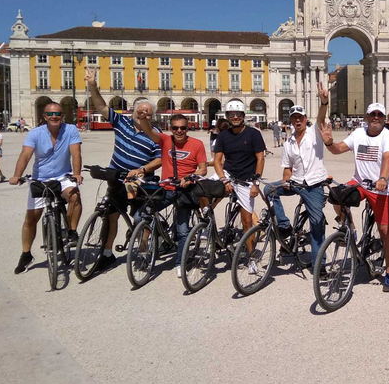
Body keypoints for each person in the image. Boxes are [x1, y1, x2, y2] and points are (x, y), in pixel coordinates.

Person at [85, 67, 162, 268]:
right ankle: (108, 253)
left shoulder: (156, 134)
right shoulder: (122, 122)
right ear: (133, 111)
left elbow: (160, 159)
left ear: (152, 115)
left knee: (140, 218)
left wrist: (143, 169)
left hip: (141, 182)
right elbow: (101, 107)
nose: (143, 113)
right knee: (111, 216)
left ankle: (144, 252)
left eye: (148, 112)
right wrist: (92, 86)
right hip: (117, 177)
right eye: (140, 110)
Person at [319, 102, 389, 292]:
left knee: (385, 231)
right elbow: (337, 149)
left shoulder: (388, 136)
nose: (376, 117)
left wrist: (383, 178)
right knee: (336, 196)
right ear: (366, 117)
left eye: (380, 114)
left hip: (381, 187)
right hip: (361, 182)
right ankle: (350, 228)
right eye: (372, 114)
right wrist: (329, 141)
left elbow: (388, 159)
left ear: (384, 119)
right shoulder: (359, 133)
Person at [11, 102, 83, 274]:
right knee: (31, 219)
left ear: (62, 115)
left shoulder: (70, 130)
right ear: (44, 117)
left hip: (63, 176)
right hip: (40, 178)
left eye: (57, 113)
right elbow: (25, 154)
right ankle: (26, 254)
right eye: (50, 114)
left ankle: (72, 232)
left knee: (74, 195)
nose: (54, 117)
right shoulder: (35, 133)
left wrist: (77, 173)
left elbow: (76, 153)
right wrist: (16, 175)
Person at [264, 85, 330, 266]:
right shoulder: (288, 143)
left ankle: (320, 264)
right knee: (269, 189)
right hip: (296, 182)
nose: (297, 120)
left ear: (306, 119)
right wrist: (285, 181)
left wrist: (324, 101)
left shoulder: (315, 132)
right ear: (291, 121)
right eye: (294, 118)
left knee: (317, 223)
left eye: (300, 117)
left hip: (314, 185)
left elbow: (322, 115)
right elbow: (287, 168)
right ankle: (285, 226)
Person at [138, 113, 207, 276]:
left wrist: (189, 178)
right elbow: (149, 131)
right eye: (175, 128)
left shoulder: (197, 144)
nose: (179, 131)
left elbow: (203, 169)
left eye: (183, 128)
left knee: (183, 231)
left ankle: (180, 261)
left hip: (185, 191)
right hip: (167, 189)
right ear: (170, 128)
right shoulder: (165, 140)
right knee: (140, 215)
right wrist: (142, 119)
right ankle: (160, 234)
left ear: (187, 128)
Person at [213, 100, 266, 244]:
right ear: (227, 116)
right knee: (204, 189)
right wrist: (224, 179)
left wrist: (256, 183)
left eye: (238, 114)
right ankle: (206, 224)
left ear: (243, 116)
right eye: (231, 114)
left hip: (247, 178)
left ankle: (251, 256)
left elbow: (260, 159)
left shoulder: (253, 134)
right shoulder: (223, 135)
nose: (235, 117)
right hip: (229, 174)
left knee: (247, 221)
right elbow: (217, 160)